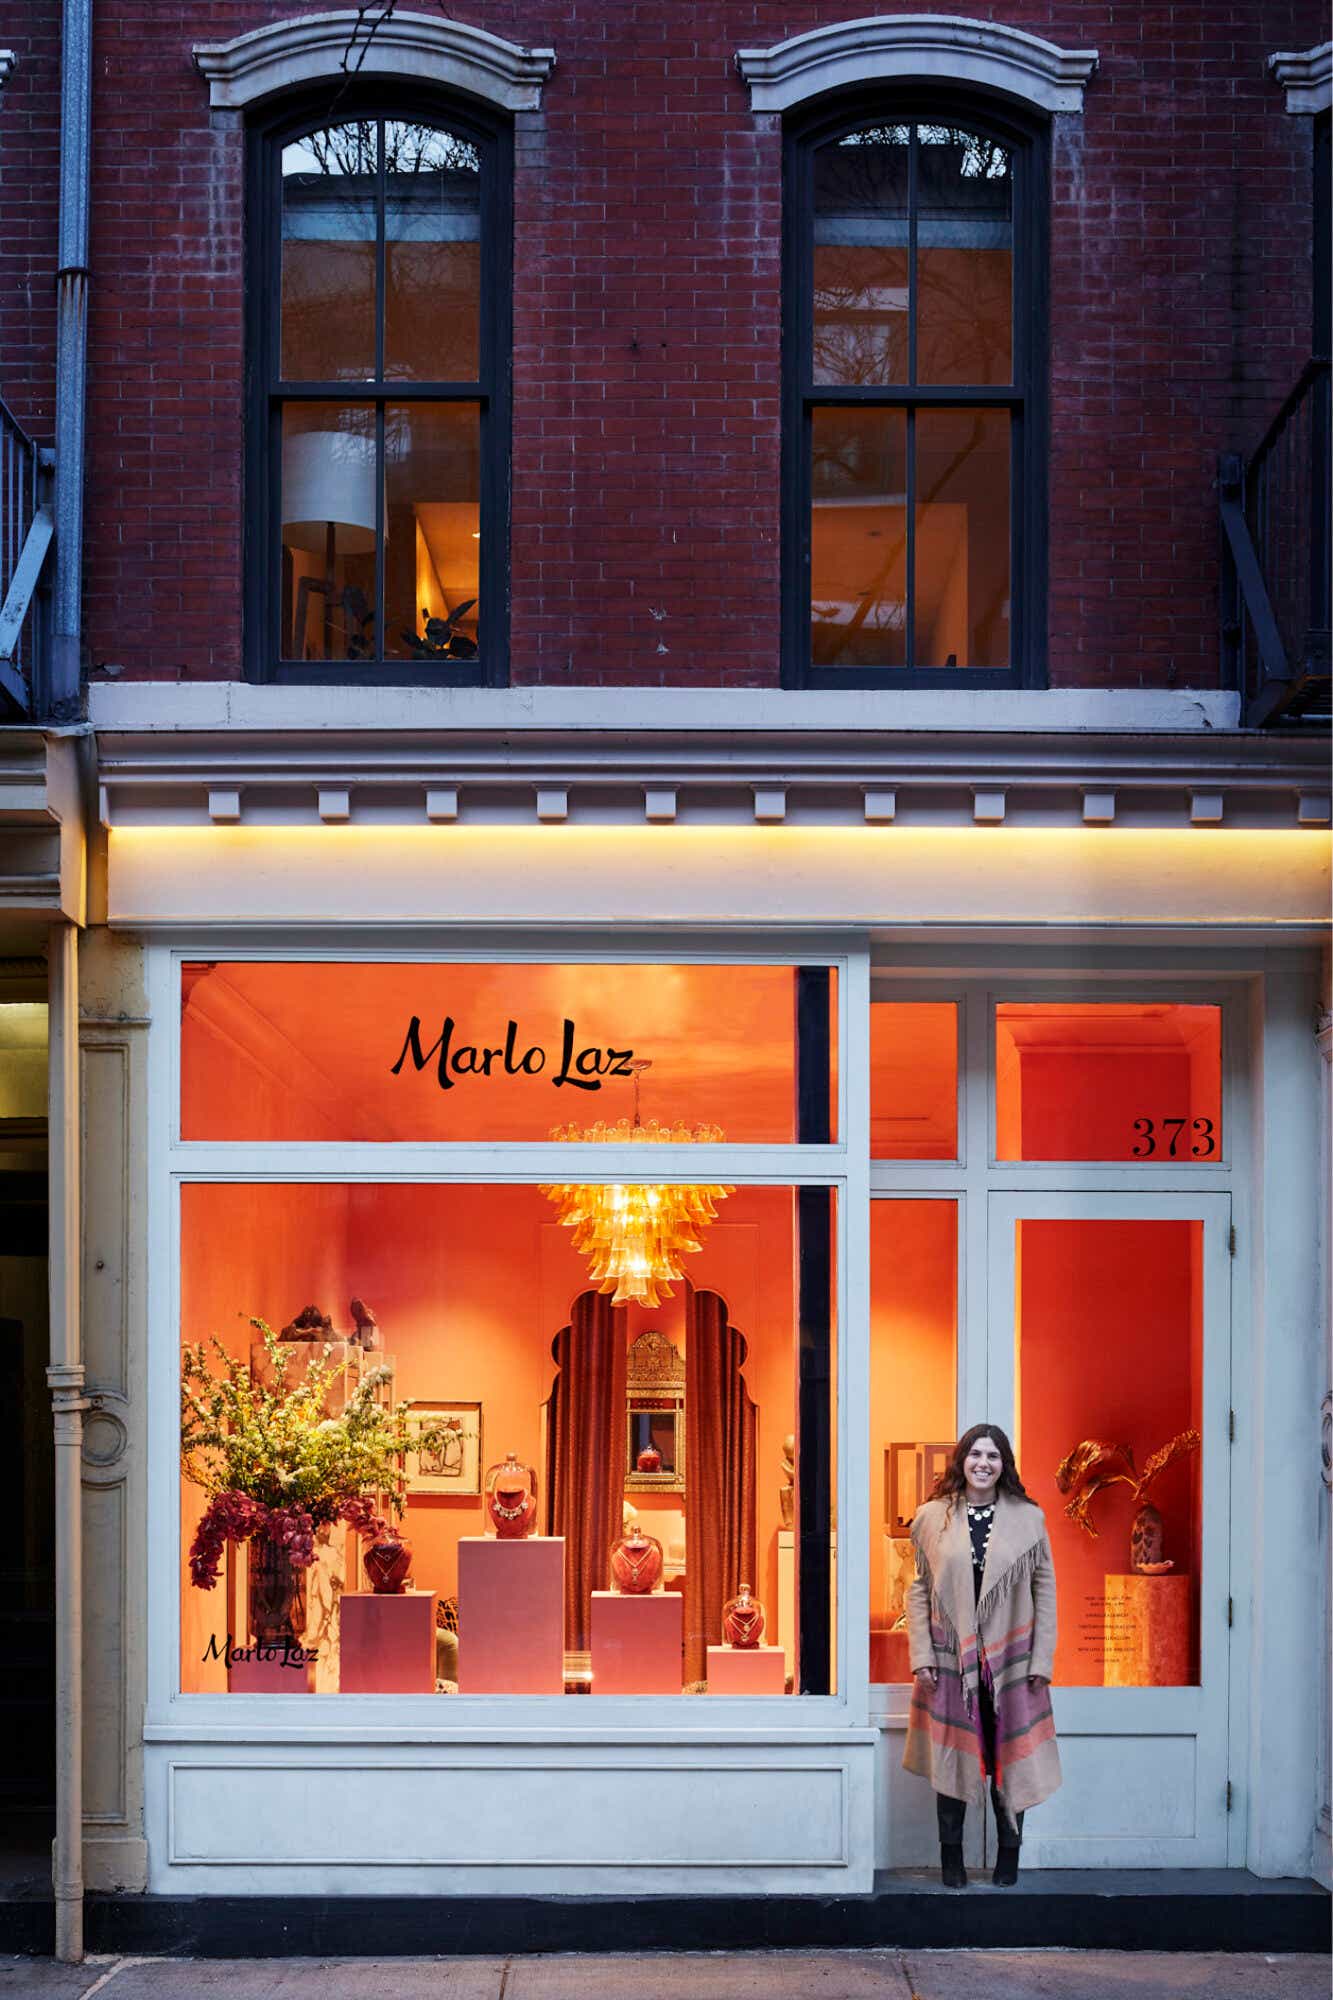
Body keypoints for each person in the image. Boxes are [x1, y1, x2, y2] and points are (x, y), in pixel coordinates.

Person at [902, 1424, 1061, 1888]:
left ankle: (1008, 1857)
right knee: (952, 1757)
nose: (983, 1464)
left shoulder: (1029, 1519)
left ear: (1003, 1464)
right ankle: (951, 1857)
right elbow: (917, 1591)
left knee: (1010, 1757)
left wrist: (1041, 1660)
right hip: (951, 1658)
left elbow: (1045, 1590)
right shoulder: (933, 1517)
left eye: (993, 1456)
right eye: (975, 1455)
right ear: (961, 1461)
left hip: (1010, 1661)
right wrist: (921, 1654)